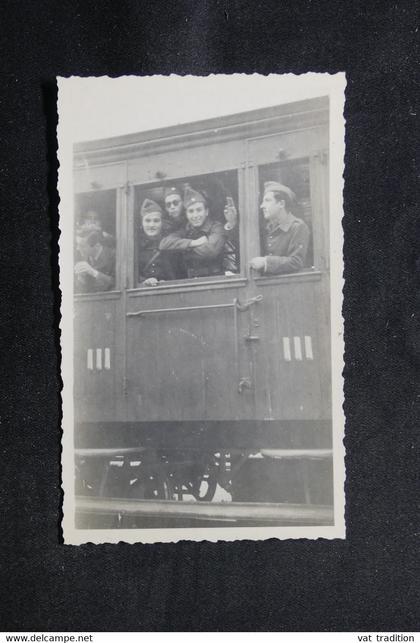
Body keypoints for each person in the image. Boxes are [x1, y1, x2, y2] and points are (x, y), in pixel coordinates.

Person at [159, 187, 227, 278]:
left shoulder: (216, 227)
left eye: (199, 210)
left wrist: (181, 250)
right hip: (191, 280)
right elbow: (163, 244)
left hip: (214, 279)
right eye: (191, 211)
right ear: (186, 214)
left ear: (206, 211)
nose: (195, 215)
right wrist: (192, 243)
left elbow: (210, 251)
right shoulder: (187, 230)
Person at [249, 181, 310, 275]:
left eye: (267, 200)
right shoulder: (267, 228)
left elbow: (296, 262)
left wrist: (265, 262)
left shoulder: (298, 227)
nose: (262, 206)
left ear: (281, 204)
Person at [137, 199, 176, 286]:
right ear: (142, 223)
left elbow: (179, 272)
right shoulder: (135, 246)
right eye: (147, 221)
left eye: (156, 221)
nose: (151, 225)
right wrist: (144, 281)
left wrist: (167, 282)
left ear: (162, 223)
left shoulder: (170, 243)